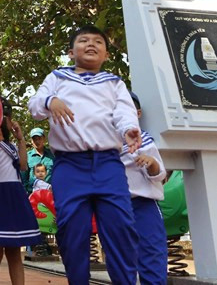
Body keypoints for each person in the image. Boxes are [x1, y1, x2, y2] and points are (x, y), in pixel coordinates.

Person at [28, 24, 141, 285]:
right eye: (83, 40)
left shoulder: (114, 82)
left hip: (109, 166)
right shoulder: (57, 78)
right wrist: (49, 102)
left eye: (98, 42)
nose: (91, 44)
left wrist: (128, 129)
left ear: (107, 55)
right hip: (70, 166)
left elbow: (123, 111)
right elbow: (35, 105)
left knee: (121, 228)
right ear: (70, 52)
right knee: (71, 230)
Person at [0, 99, 41, 285]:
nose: (9, 121)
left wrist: (20, 139)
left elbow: (23, 165)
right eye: (6, 116)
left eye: (9, 116)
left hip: (15, 195)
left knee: (14, 252)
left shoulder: (10, 145)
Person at [121, 92, 167, 285]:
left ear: (138, 113)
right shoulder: (106, 144)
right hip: (117, 208)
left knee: (151, 258)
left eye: (128, 109)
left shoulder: (145, 141)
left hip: (144, 206)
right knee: (122, 263)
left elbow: (160, 175)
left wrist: (151, 163)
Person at [22, 128, 55, 194]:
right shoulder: (27, 156)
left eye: (39, 138)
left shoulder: (52, 155)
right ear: (31, 141)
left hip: (51, 195)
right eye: (34, 139)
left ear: (44, 139)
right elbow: (24, 178)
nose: (37, 141)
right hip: (33, 196)